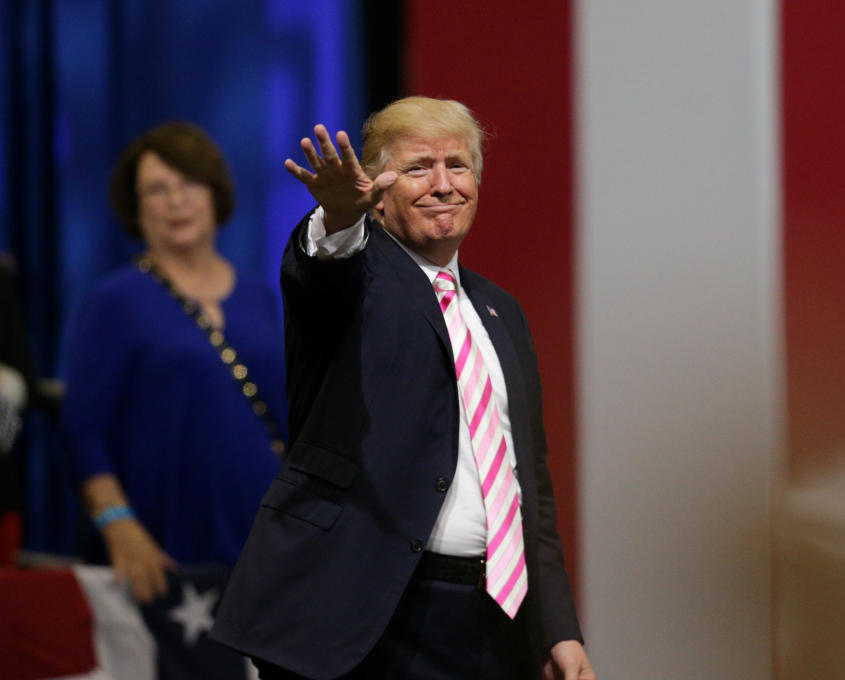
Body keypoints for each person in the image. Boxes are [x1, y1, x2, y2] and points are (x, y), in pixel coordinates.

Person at [212, 97, 595, 679]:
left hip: (488, 623)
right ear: (379, 188)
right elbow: (323, 270)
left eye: (458, 165)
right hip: (362, 621)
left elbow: (528, 487)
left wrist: (557, 627)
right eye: (418, 167)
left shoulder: (500, 311)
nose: (443, 184)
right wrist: (338, 219)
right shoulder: (355, 276)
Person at [61, 122, 287, 603]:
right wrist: (118, 525)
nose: (175, 201)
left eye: (189, 183)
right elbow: (84, 431)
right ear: (136, 208)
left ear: (214, 193)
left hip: (266, 551)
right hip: (162, 557)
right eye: (157, 190)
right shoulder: (115, 301)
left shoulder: (260, 295)